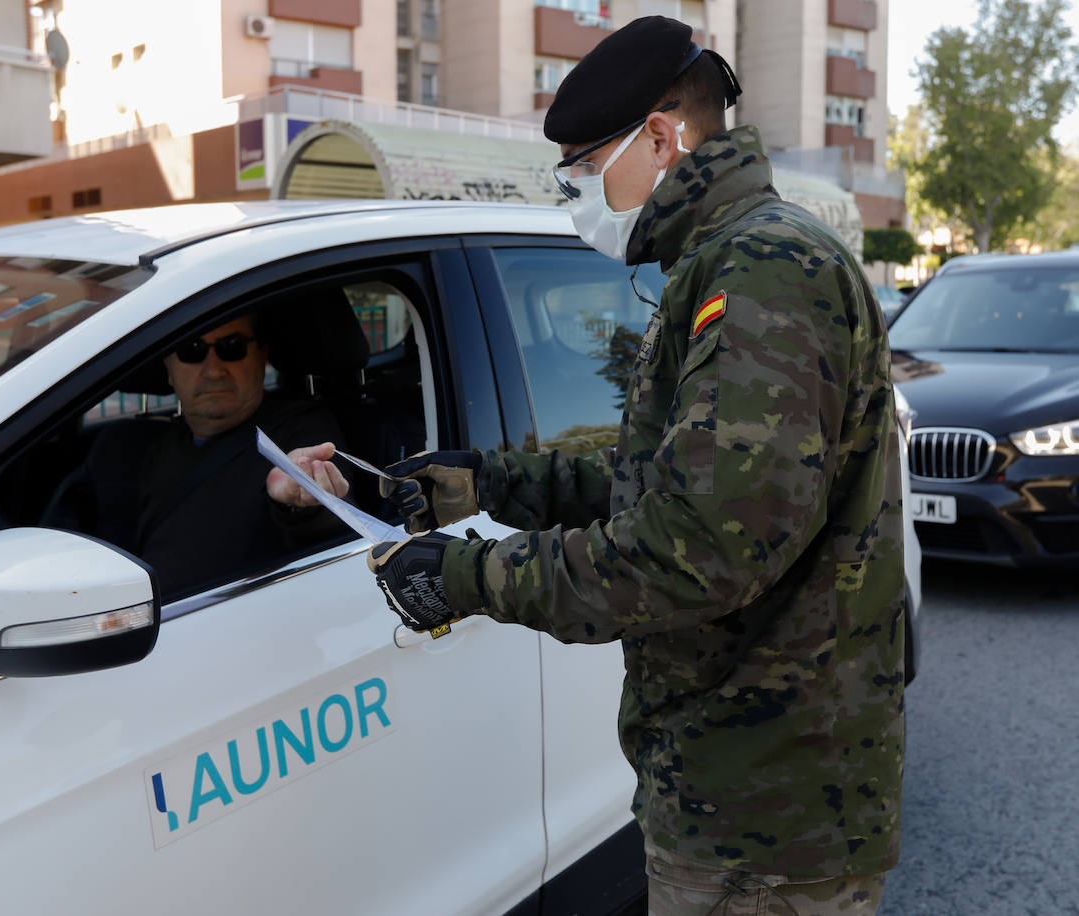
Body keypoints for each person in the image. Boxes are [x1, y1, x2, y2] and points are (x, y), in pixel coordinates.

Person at [366, 16, 904, 915]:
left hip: (765, 813)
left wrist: (468, 576)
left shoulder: (766, 270)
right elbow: (663, 478)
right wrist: (483, 484)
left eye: (579, 168)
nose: (574, 192)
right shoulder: (717, 261)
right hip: (728, 777)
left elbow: (699, 547)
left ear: (660, 138)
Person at [63, 312, 351, 598]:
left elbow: (332, 529)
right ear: (169, 367)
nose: (213, 370)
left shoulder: (301, 434)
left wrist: (300, 505)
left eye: (232, 347)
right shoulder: (139, 447)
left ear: (262, 355)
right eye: (192, 351)